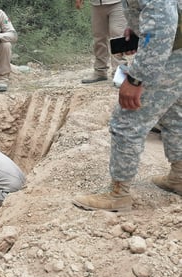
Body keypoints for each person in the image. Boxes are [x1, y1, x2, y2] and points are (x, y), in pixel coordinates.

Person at [72, 0, 182, 212]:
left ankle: (118, 194)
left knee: (128, 119)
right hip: (177, 54)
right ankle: (179, 176)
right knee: (175, 115)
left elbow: (161, 29)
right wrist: (137, 28)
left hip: (170, 56)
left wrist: (136, 80)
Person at [75, 0, 128, 83]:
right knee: (99, 37)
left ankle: (119, 73)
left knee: (118, 37)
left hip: (117, 3)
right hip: (96, 4)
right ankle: (100, 72)